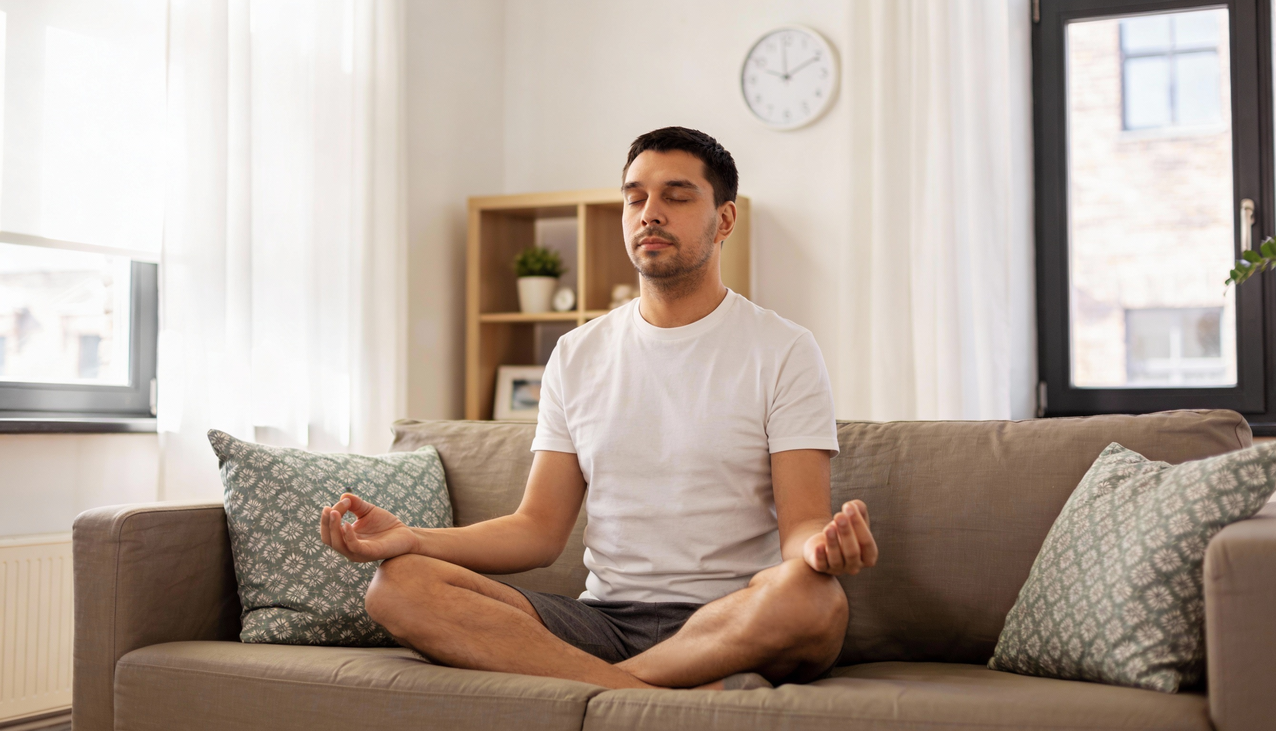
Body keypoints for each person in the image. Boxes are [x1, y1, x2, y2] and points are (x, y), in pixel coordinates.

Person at [319, 126, 878, 691]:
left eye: (677, 197)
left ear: (725, 220)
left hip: (732, 614)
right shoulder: (577, 353)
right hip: (602, 621)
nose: (649, 213)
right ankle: (644, 693)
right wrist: (412, 538)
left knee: (814, 599)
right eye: (635, 198)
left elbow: (800, 526)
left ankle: (597, 690)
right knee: (398, 585)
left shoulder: (783, 348)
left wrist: (820, 548)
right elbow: (537, 531)